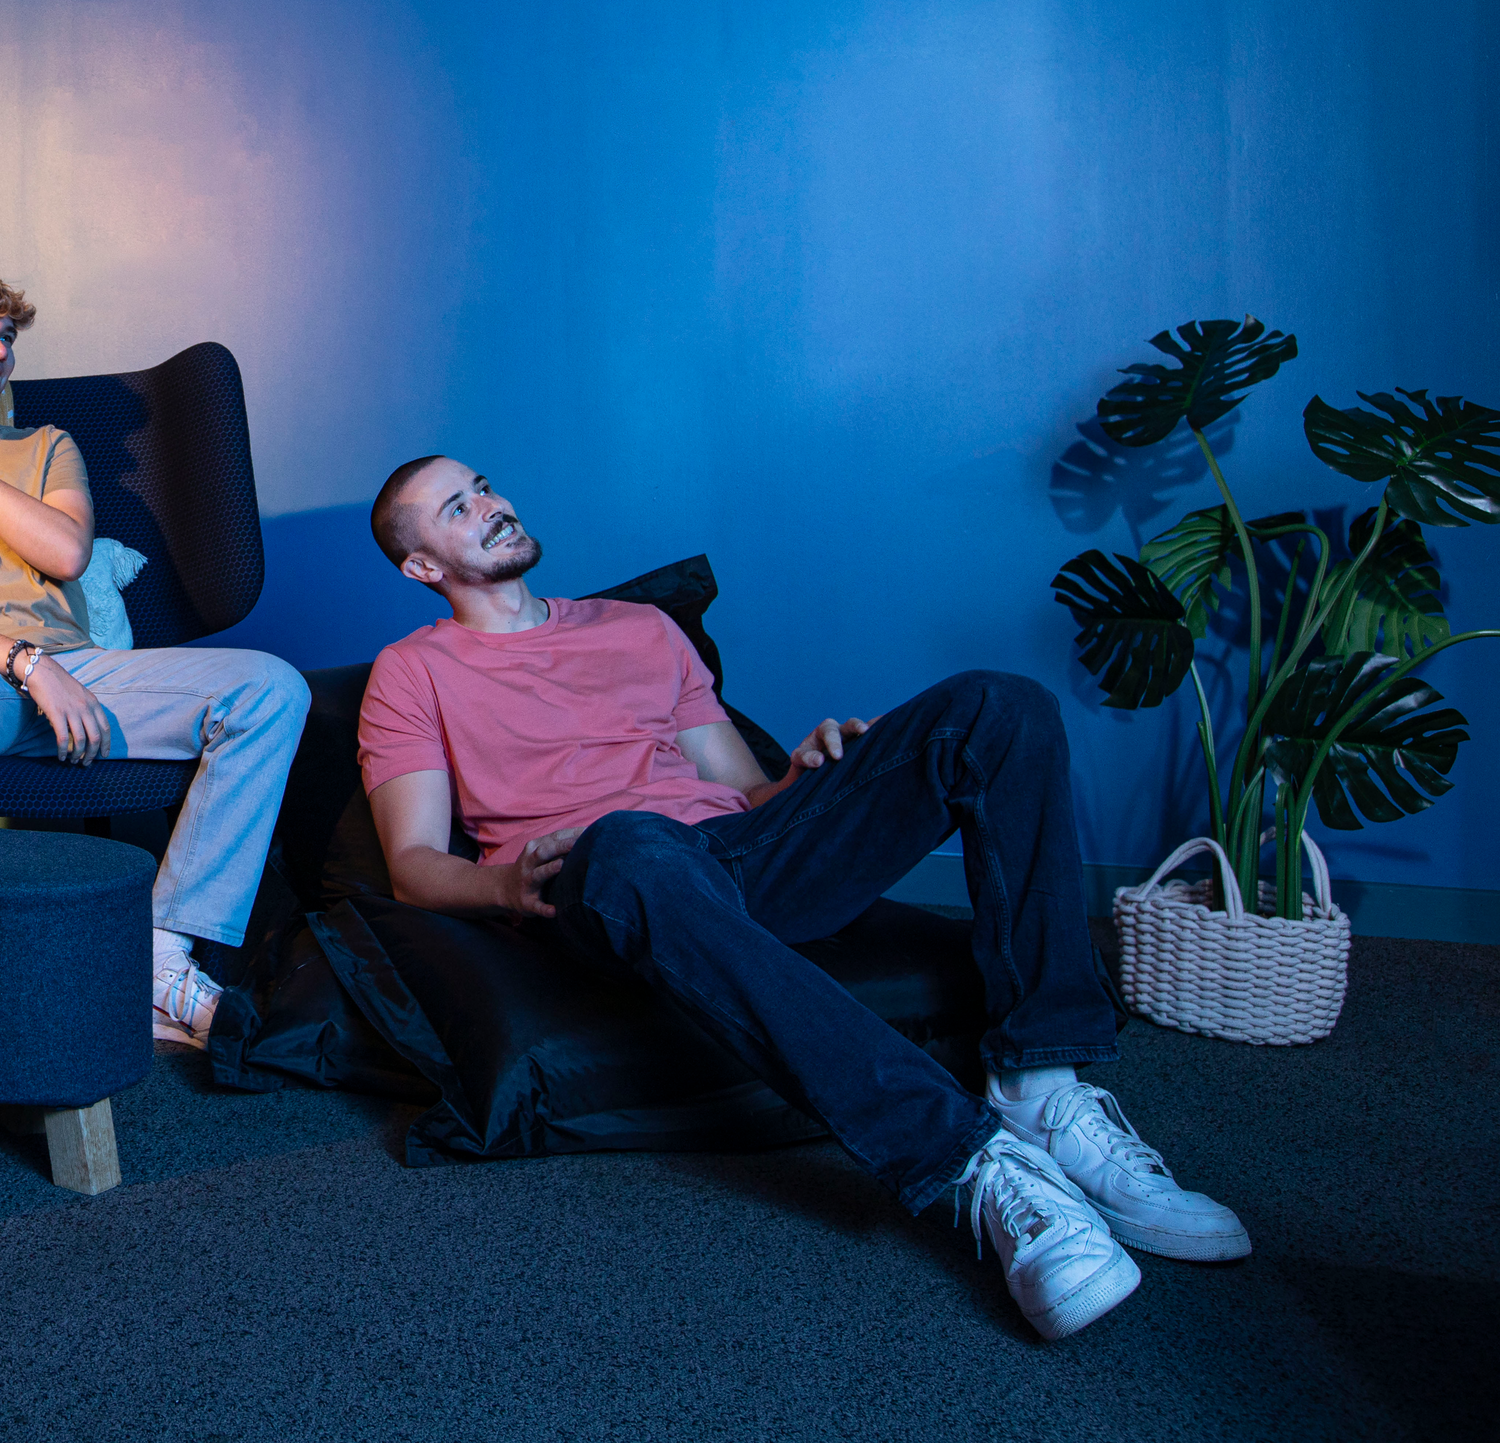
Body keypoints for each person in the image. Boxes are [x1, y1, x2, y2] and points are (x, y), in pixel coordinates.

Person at [355, 454, 1252, 1343]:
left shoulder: (639, 628)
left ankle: (1041, 1085)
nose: (488, 504)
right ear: (421, 566)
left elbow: (742, 796)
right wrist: (506, 882)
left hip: (738, 860)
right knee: (632, 839)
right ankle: (973, 1160)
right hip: (606, 880)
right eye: (455, 508)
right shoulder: (411, 671)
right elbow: (413, 863)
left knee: (999, 706)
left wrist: (805, 776)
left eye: (483, 486)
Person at [0, 269, 308, 1129]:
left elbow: (68, 553)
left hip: (74, 675)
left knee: (269, 687)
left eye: (6, 335)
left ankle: (159, 956)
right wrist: (24, 662)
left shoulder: (45, 445)